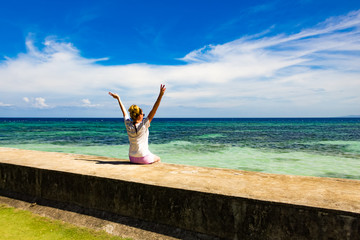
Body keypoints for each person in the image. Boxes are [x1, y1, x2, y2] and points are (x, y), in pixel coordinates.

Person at [108, 84, 166, 164]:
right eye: (143, 114)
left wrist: (118, 99)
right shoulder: (143, 125)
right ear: (139, 115)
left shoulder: (128, 124)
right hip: (144, 157)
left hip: (132, 157)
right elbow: (154, 109)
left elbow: (124, 112)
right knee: (158, 159)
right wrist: (160, 95)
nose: (143, 115)